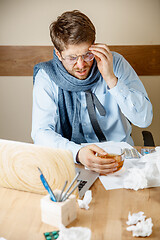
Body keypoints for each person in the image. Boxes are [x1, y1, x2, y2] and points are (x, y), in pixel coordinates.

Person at [31, 10, 153, 175]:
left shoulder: (115, 63)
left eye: (87, 54)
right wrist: (78, 153)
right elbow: (41, 132)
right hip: (71, 159)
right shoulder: (46, 76)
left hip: (119, 159)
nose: (81, 65)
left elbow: (144, 119)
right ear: (58, 54)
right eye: (72, 57)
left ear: (94, 46)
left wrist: (111, 79)